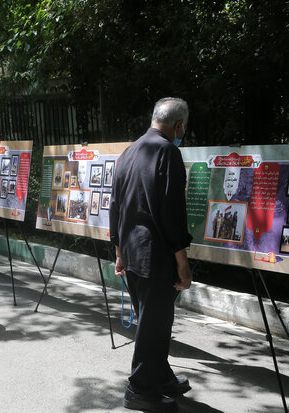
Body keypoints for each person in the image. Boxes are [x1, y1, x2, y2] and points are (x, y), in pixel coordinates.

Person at [109, 97, 193, 412]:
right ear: (179, 125)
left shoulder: (130, 152)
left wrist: (118, 251)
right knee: (154, 324)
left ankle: (161, 377)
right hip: (155, 256)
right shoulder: (168, 152)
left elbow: (115, 206)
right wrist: (182, 263)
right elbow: (172, 213)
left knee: (153, 321)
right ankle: (140, 389)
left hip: (131, 253)